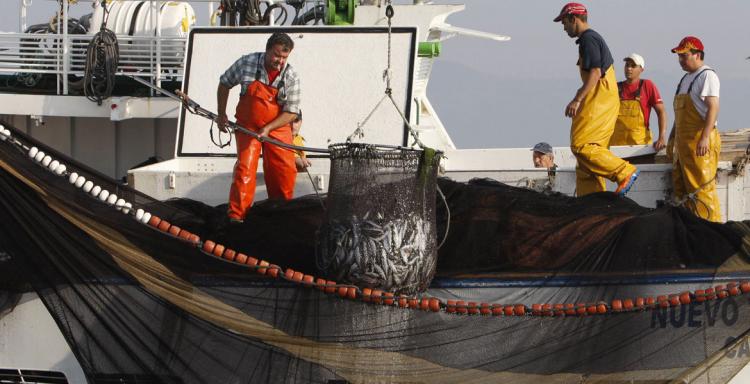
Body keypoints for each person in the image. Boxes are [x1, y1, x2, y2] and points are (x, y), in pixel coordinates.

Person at [554, 2, 639, 197]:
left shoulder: (588, 39)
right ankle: (593, 201)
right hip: (603, 100)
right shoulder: (590, 39)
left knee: (581, 146)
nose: (564, 28)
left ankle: (624, 172)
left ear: (573, 19)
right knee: (588, 160)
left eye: (564, 23)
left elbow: (595, 73)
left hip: (599, 100)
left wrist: (577, 99)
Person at [217, 32, 301, 223]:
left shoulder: (291, 75)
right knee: (245, 169)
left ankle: (281, 215)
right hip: (248, 126)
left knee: (284, 170)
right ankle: (237, 216)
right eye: (276, 55)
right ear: (267, 50)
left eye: (284, 57)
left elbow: (292, 112)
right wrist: (221, 113)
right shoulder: (247, 63)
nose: (279, 61)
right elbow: (224, 83)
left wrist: (268, 128)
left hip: (278, 127)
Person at [668, 36, 721, 222]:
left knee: (702, 191)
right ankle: (691, 233)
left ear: (697, 55)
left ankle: (712, 232)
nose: (681, 60)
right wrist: (672, 137)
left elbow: (713, 107)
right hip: (684, 146)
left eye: (685, 55)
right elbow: (679, 114)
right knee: (683, 193)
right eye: (679, 56)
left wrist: (705, 137)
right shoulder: (685, 79)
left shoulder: (707, 76)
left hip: (700, 145)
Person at [609, 53, 668, 151]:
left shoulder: (647, 85)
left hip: (640, 148)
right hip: (617, 147)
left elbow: (661, 112)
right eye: (627, 65)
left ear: (641, 69)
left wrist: (661, 137)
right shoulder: (615, 87)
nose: (629, 68)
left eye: (633, 66)